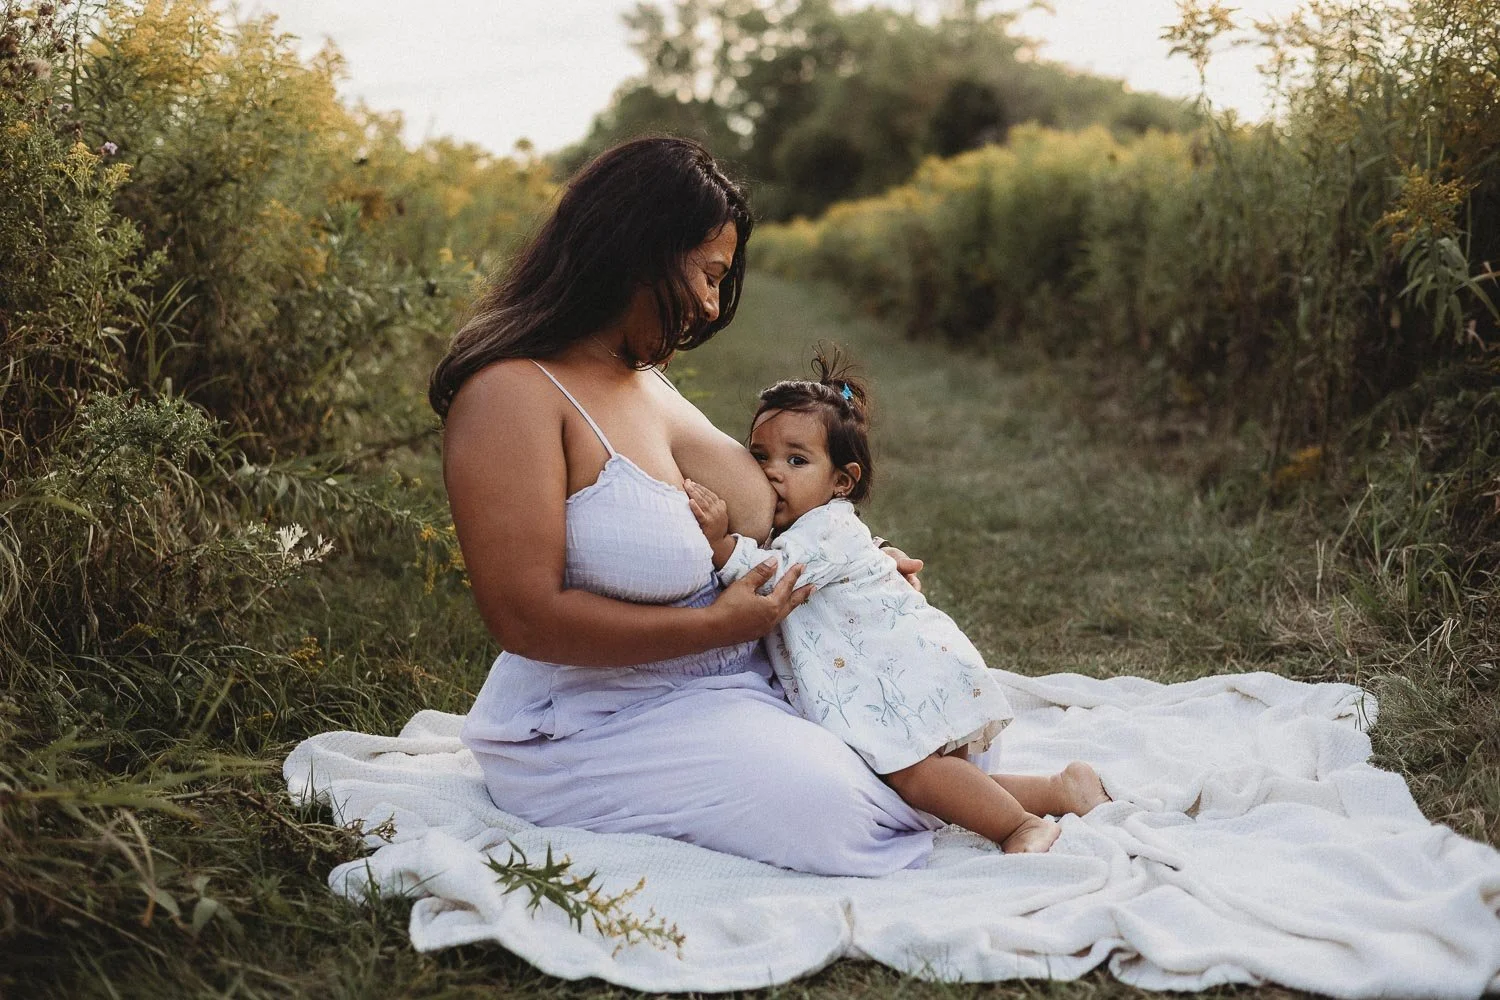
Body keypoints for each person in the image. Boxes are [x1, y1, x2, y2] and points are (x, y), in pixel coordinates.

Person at [428, 136, 942, 876]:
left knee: (958, 739)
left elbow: (766, 521)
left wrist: (850, 569)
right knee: (833, 806)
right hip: (590, 725)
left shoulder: (645, 382)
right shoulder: (511, 395)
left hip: (738, 680)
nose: (709, 304)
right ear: (641, 247)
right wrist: (710, 627)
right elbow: (522, 615)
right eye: (707, 275)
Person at [684, 350, 1110, 853]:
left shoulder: (825, 528)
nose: (773, 472)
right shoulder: (804, 528)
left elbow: (773, 577)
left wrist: (719, 544)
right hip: (884, 672)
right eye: (759, 456)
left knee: (916, 777)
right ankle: (1060, 791)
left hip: (897, 676)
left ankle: (1019, 826)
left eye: (796, 461)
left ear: (841, 481)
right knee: (922, 786)